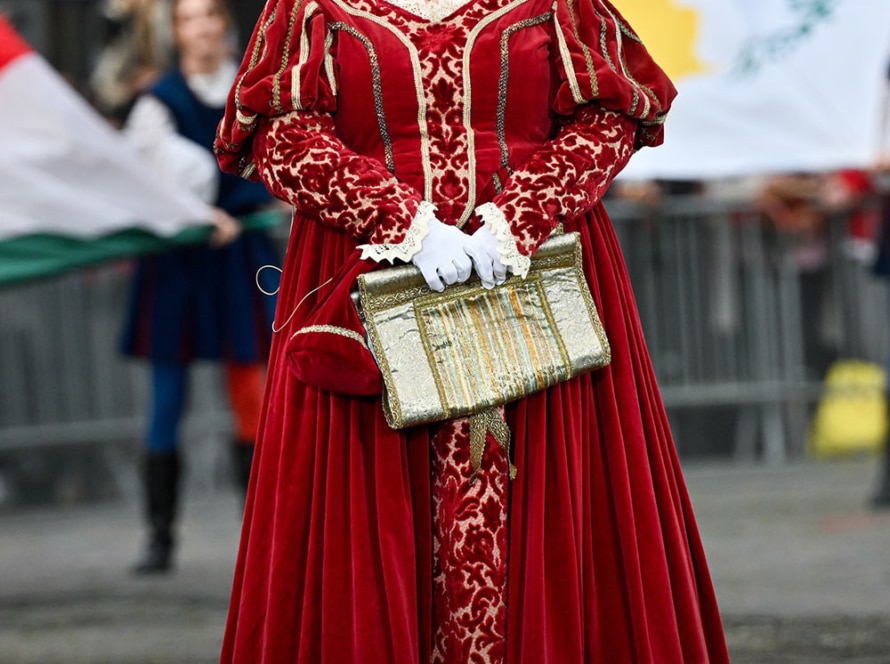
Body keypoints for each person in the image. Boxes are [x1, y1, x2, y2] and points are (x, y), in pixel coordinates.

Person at [214, 0, 730, 661]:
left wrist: (521, 214)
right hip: (371, 279)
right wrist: (403, 223)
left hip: (533, 276)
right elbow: (277, 135)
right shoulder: (314, 6)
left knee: (559, 512)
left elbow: (615, 113)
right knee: (366, 521)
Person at [121, 0, 278, 574]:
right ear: (177, 30)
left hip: (241, 258)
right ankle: (159, 537)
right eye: (188, 18)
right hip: (179, 263)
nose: (201, 27)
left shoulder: (255, 88)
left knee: (253, 393)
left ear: (224, 23)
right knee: (167, 398)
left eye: (209, 14)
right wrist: (197, 216)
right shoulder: (158, 101)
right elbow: (140, 181)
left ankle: (263, 537)